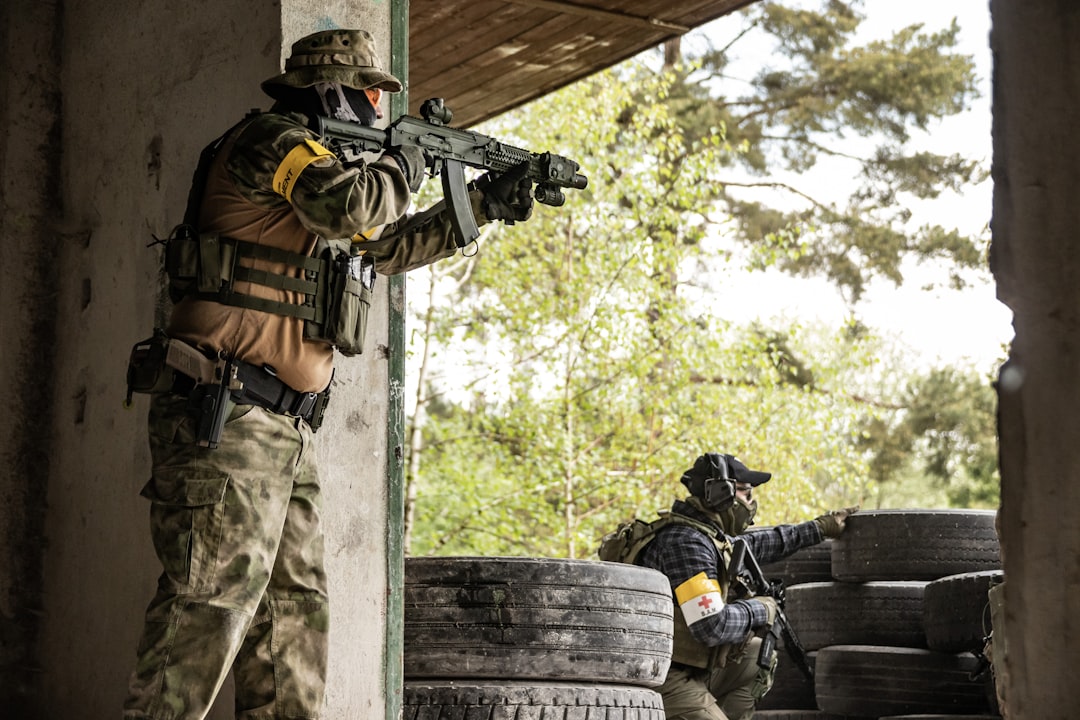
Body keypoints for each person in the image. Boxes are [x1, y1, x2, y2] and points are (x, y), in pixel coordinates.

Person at [122, 28, 533, 720]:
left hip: (286, 428)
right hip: (228, 415)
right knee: (208, 606)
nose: (378, 106)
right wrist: (406, 161)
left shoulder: (329, 179)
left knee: (293, 625)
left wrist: (483, 205)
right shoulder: (274, 143)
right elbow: (356, 206)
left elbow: (389, 244)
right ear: (334, 92)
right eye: (372, 92)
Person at [601, 452, 858, 720]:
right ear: (722, 494)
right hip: (658, 675)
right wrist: (760, 609)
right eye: (746, 493)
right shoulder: (686, 545)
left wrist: (820, 527)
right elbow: (711, 626)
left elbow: (760, 543)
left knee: (758, 656)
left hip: (688, 667)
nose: (751, 502)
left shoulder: (706, 536)